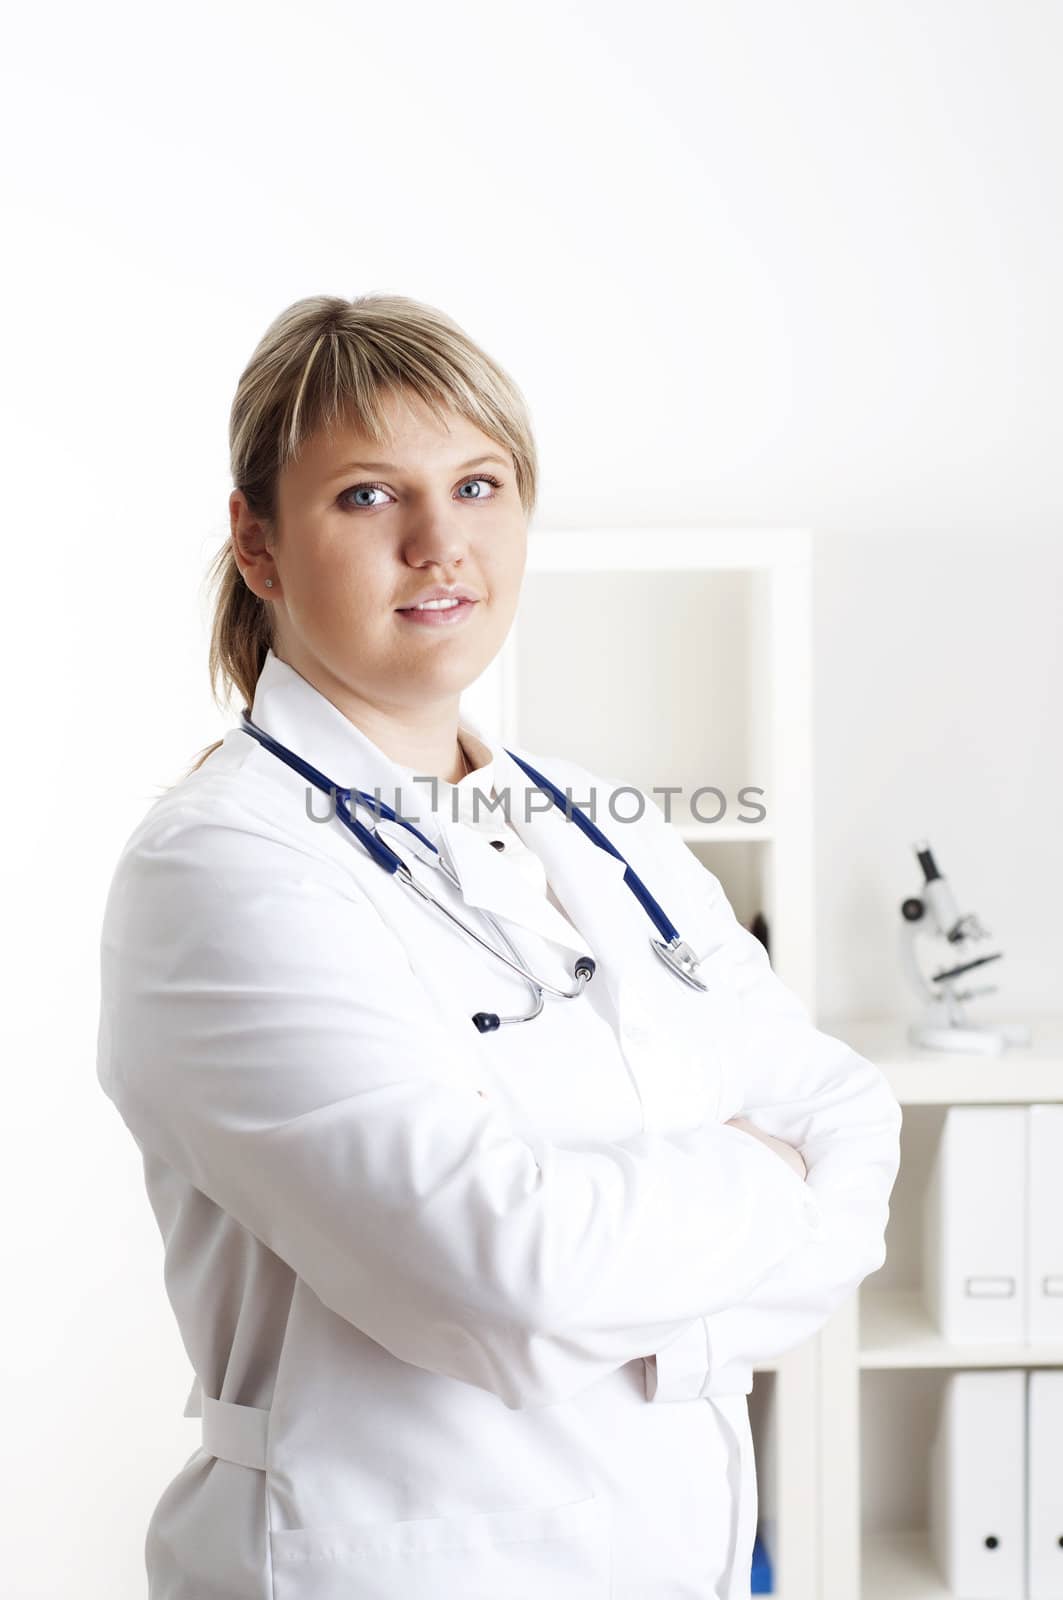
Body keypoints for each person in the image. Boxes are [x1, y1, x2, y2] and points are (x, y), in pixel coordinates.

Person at [96, 292, 902, 1600]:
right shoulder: (225, 868)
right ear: (258, 545)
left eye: (478, 485)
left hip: (679, 1547)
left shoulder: (601, 822)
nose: (438, 544)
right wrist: (760, 1184)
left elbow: (852, 1129)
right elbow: (507, 1278)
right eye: (367, 496)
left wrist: (614, 1277)